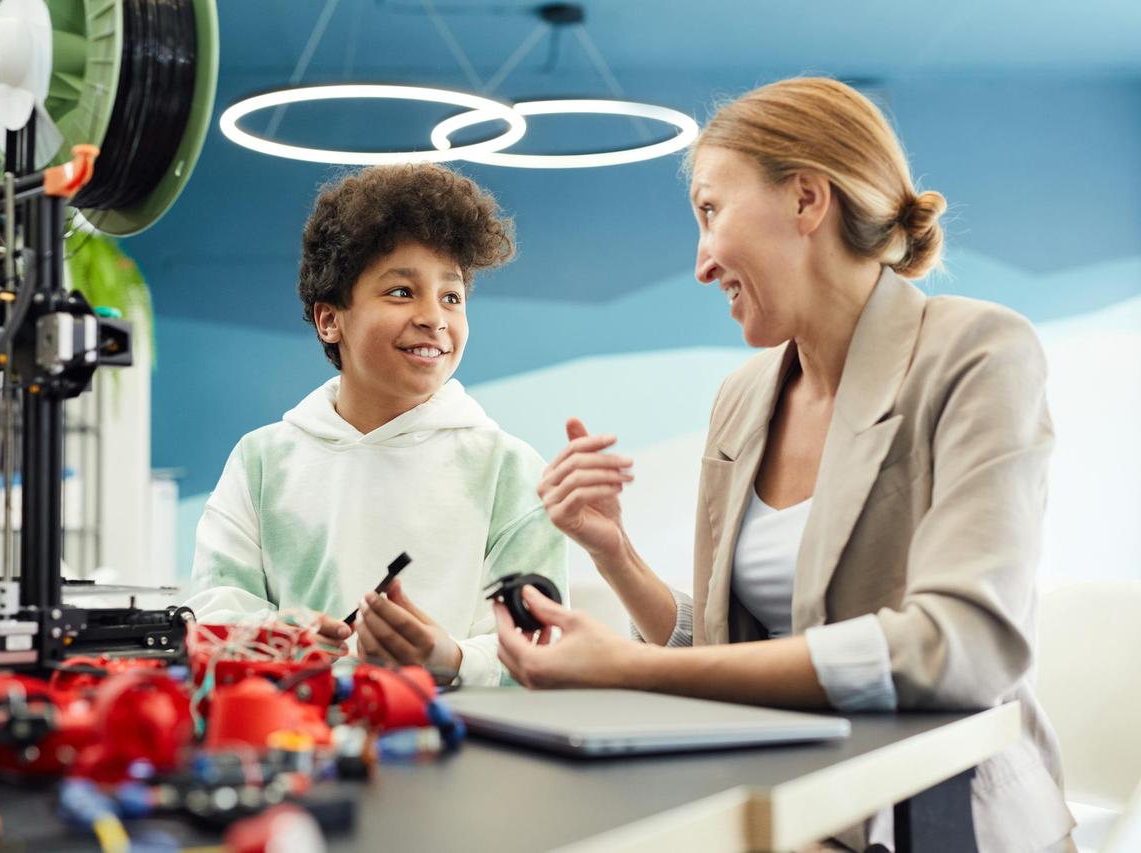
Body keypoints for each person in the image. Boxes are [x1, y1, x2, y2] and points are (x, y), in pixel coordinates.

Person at [495, 77, 1074, 851]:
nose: (701, 264)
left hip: (940, 817)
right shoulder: (742, 399)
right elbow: (734, 656)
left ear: (807, 199)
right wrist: (617, 554)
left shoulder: (978, 352)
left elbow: (960, 646)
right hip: (791, 805)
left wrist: (629, 667)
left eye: (710, 211)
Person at [187, 163, 568, 687]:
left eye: (451, 297)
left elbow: (541, 647)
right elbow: (212, 613)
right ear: (330, 319)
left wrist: (451, 658)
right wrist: (282, 636)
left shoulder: (510, 469)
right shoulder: (262, 461)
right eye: (401, 292)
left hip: (464, 749)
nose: (434, 317)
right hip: (290, 739)